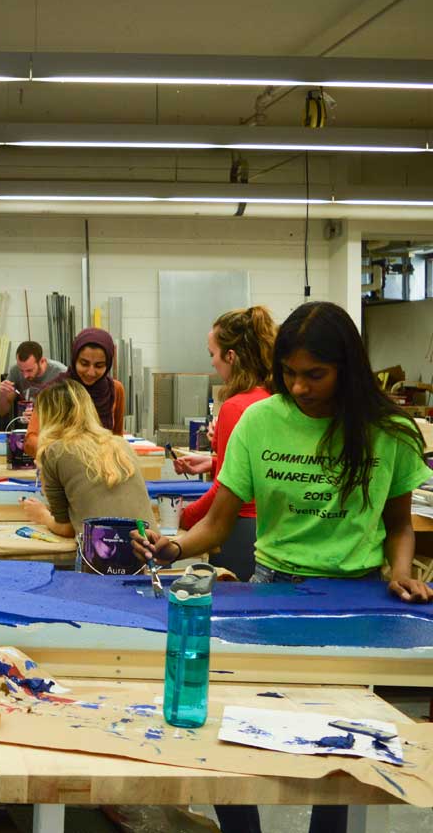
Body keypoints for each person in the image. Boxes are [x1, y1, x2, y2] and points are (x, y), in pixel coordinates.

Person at [136, 301, 432, 833]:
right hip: (271, 590)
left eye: (314, 375)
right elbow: (219, 523)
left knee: (343, 741)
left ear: (348, 368)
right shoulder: (259, 420)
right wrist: (176, 547)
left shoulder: (387, 429)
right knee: (231, 722)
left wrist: (402, 573)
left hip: (356, 598)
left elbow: (400, 524)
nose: (298, 387)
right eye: (289, 374)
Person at [172, 306, 276, 581]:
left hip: (240, 529)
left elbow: (225, 489)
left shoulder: (236, 407)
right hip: (270, 529)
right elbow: (264, 466)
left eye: (213, 354)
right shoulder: (272, 398)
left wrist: (184, 518)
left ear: (231, 356)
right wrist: (214, 461)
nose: (212, 364)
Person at [20, 379, 154, 540]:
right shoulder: (121, 444)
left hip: (107, 552)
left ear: (48, 417)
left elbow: (67, 528)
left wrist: (42, 515)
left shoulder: (55, 451)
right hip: (151, 547)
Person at [24, 327, 124, 456]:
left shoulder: (115, 390)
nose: (91, 372)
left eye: (99, 366)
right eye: (84, 363)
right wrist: (66, 457)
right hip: (61, 469)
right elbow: (30, 441)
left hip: (102, 469)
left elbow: (117, 438)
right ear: (74, 359)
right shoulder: (53, 392)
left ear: (108, 364)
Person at [0, 340, 67, 429]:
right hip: (28, 430)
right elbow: (2, 412)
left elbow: (70, 414)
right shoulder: (15, 371)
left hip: (54, 430)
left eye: (29, 370)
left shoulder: (60, 373)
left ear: (42, 361)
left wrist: (39, 416)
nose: (25, 376)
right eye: (21, 370)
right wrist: (3, 395)